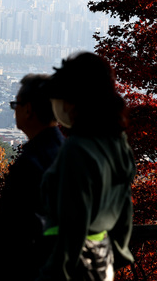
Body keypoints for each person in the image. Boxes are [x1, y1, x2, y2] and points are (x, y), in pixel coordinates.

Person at [37, 52, 136, 281]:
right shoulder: (118, 143)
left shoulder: (77, 149)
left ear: (75, 100)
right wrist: (119, 253)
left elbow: (74, 223)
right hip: (104, 259)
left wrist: (56, 270)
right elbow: (125, 208)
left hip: (70, 264)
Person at [0, 74, 64, 279]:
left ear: (29, 109)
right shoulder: (67, 152)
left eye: (16, 105)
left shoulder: (31, 161)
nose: (15, 112)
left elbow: (11, 224)